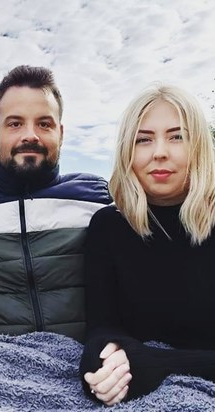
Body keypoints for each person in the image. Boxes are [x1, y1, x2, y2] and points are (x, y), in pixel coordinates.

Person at [0, 65, 111, 342]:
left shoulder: (98, 198)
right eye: (15, 123)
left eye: (44, 124)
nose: (30, 135)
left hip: (88, 364)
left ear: (60, 132)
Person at [80, 84, 215, 406]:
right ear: (128, 150)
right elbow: (102, 323)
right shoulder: (108, 226)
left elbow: (150, 362)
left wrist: (161, 363)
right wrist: (103, 362)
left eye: (176, 136)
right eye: (144, 139)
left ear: (199, 145)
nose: (159, 152)